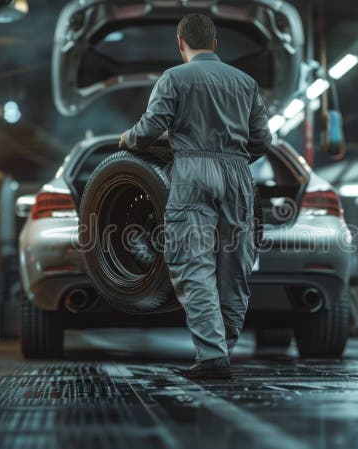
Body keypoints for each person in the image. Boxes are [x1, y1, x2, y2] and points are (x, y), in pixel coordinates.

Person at [119, 14, 271, 378]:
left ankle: (213, 353)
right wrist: (233, 159)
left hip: (191, 172)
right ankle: (223, 348)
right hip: (238, 174)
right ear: (215, 43)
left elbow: (152, 128)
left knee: (194, 265)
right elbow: (263, 141)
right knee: (234, 267)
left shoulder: (174, 78)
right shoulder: (246, 82)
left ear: (180, 43)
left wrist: (128, 138)